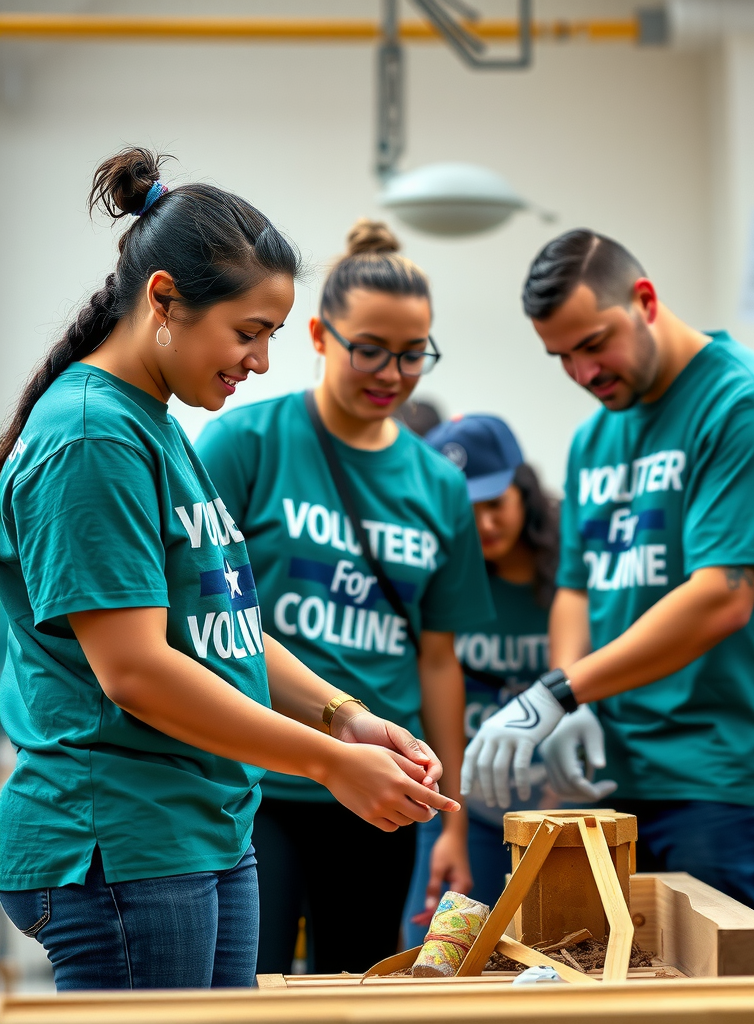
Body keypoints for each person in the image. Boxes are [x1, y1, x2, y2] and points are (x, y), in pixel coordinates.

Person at [0, 151, 457, 991]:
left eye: (271, 335)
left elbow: (227, 631)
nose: (260, 361)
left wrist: (343, 717)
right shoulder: (95, 434)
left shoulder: (154, 422)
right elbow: (135, 671)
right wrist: (322, 762)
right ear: (163, 299)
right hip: (126, 834)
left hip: (202, 824)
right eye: (247, 333)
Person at [462, 230, 754, 911]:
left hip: (725, 775)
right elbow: (576, 586)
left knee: (723, 1011)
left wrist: (559, 693)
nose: (582, 371)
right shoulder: (596, 434)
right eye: (561, 356)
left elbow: (723, 596)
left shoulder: (743, 404)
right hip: (618, 777)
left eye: (595, 342)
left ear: (645, 299)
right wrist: (573, 697)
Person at [195, 219, 492, 974]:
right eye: (371, 349)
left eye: (413, 353)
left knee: (361, 984)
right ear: (323, 335)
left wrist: (450, 820)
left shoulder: (441, 486)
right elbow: (198, 620)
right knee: (246, 982)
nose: (392, 373)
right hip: (257, 780)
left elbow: (438, 662)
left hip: (381, 796)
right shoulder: (245, 444)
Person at [402, 414, 568, 943]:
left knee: (552, 955)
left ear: (523, 493)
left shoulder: (568, 583)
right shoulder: (433, 587)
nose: (484, 525)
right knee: (434, 954)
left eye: (495, 505)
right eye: (466, 512)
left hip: (554, 805)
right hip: (460, 808)